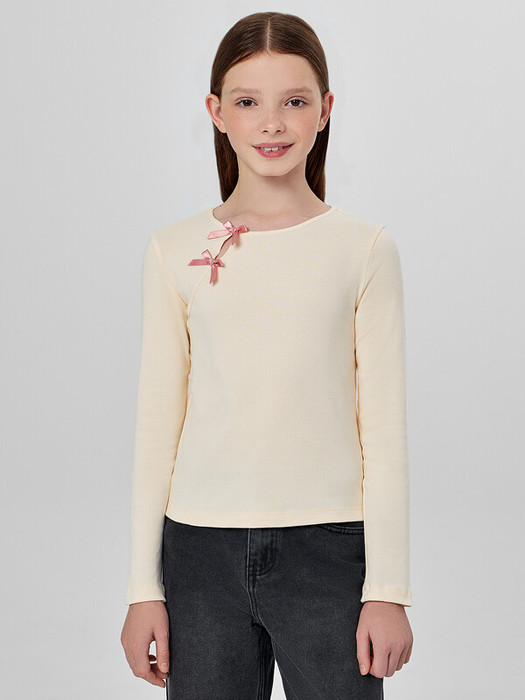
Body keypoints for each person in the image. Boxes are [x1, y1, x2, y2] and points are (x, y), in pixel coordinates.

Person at [120, 11, 413, 699]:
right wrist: (142, 589)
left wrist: (388, 589)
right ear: (216, 112)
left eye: (295, 102)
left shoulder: (363, 250)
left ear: (325, 110)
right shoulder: (174, 251)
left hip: (328, 551)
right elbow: (157, 428)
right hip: (199, 553)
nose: (272, 123)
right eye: (249, 102)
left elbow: (384, 432)